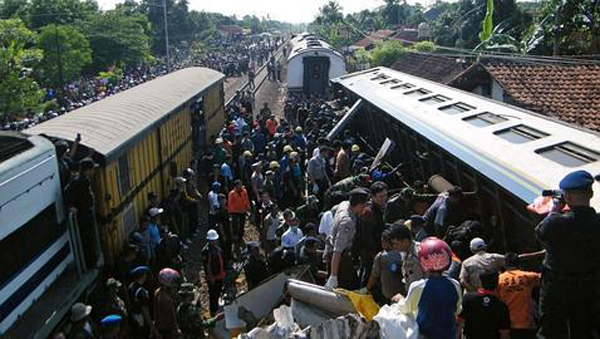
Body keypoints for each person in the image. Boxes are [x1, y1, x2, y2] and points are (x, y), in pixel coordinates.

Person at [535, 170, 600, 339]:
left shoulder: (557, 222)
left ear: (568, 198)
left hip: (556, 286)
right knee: (583, 328)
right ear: (591, 193)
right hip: (589, 285)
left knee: (550, 329)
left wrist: (555, 208)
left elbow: (541, 232)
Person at [398, 237, 462, 339]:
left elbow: (406, 309)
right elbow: (457, 309)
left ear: (423, 261)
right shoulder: (455, 284)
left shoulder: (418, 286)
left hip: (426, 335)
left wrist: (400, 300)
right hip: (449, 334)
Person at [324, 188, 370, 290]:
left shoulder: (344, 204)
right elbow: (338, 250)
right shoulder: (347, 222)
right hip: (340, 258)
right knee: (349, 286)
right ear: (359, 205)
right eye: (364, 205)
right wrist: (333, 276)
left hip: (333, 248)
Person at [497, 253, 541, 339]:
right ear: (518, 263)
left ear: (505, 264)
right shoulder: (528, 276)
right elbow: (545, 278)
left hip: (506, 324)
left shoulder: (499, 279)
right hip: (526, 322)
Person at [66, 158, 99, 268]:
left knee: (91, 237)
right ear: (87, 170)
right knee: (87, 239)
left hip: (87, 212)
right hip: (83, 214)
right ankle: (90, 263)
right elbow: (68, 192)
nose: (94, 171)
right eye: (92, 169)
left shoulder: (84, 179)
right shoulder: (79, 180)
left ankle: (93, 260)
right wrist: (71, 206)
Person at [459, 271, 511, 339]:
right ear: (497, 284)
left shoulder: (468, 299)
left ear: (480, 282)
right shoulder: (501, 306)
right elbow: (504, 333)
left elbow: (460, 322)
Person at [357, 181, 389, 286]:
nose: (384, 198)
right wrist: (374, 254)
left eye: (385, 195)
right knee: (368, 274)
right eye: (380, 196)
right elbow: (367, 237)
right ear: (373, 197)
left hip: (376, 248)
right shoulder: (368, 212)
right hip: (369, 252)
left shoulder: (379, 208)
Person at [365, 230, 405, 303]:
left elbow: (374, 276)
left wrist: (367, 288)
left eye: (382, 241)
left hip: (389, 295)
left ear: (386, 242)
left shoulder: (381, 257)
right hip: (404, 294)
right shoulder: (403, 254)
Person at [127, 266, 157, 338]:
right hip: (142, 320)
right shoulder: (141, 292)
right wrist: (153, 329)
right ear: (143, 275)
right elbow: (145, 311)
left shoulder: (131, 286)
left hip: (134, 318)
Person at [202, 229, 226, 316]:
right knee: (213, 294)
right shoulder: (206, 251)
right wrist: (211, 276)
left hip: (219, 275)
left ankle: (217, 309)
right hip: (213, 277)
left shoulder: (217, 248)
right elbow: (207, 265)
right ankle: (213, 312)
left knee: (218, 292)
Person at [154, 268, 181, 339]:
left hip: (159, 326)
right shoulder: (167, 299)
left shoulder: (157, 292)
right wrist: (176, 329)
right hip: (167, 328)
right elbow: (172, 317)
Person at [227, 180, 250, 251]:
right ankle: (235, 236)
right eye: (239, 185)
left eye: (241, 184)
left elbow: (246, 200)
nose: (240, 186)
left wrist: (248, 207)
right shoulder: (231, 194)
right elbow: (230, 203)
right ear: (236, 186)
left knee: (242, 224)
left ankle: (240, 236)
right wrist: (230, 212)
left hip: (242, 210)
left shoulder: (244, 191)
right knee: (235, 224)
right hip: (235, 211)